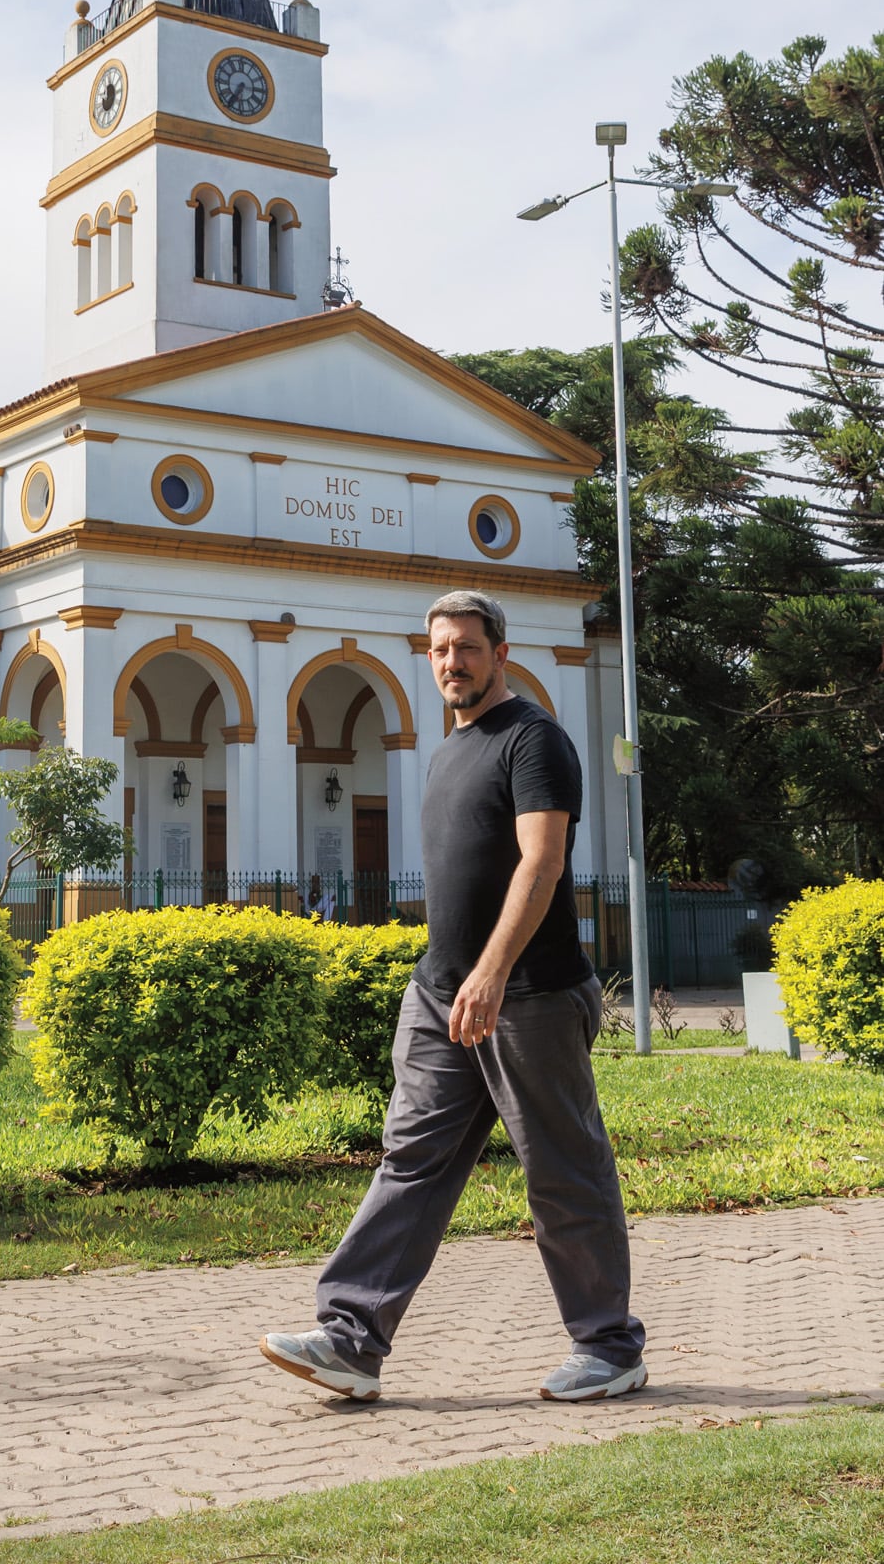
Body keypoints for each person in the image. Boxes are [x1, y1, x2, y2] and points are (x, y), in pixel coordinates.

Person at [260, 589, 646, 1404]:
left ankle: (608, 1347)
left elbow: (539, 865)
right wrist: (451, 978)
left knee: (562, 1170)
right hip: (442, 996)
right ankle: (350, 1339)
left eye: (466, 647)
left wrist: (493, 970)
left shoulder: (533, 741)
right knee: (411, 1161)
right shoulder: (447, 750)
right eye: (439, 649)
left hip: (529, 995)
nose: (451, 662)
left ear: (498, 653)